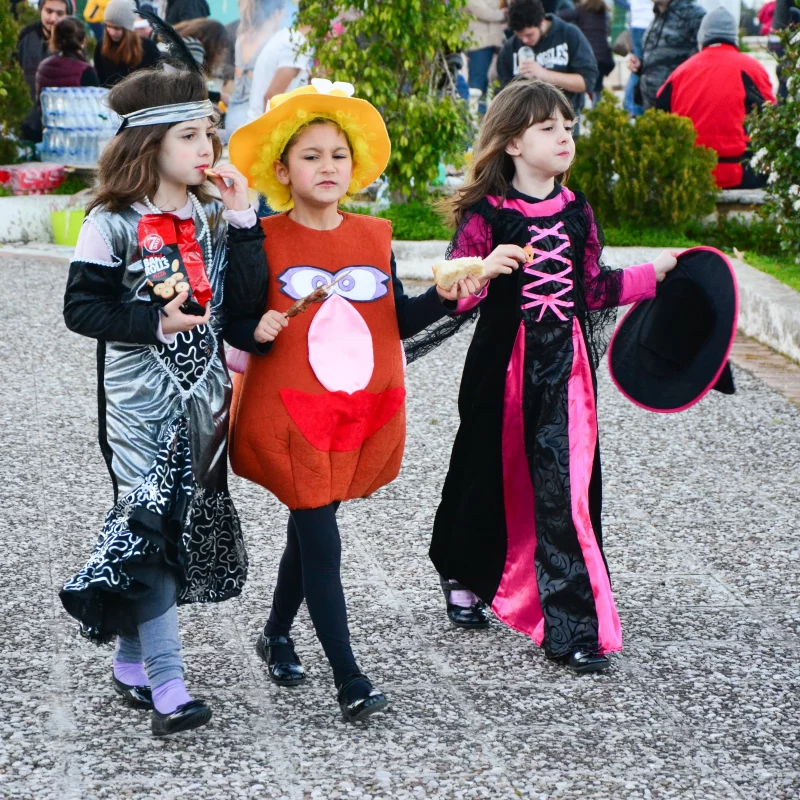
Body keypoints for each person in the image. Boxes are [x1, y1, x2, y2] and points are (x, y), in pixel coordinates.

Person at [226, 79, 482, 721]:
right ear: (281, 169)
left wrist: (447, 298)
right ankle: (349, 677)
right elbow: (234, 321)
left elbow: (396, 318)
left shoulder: (373, 235)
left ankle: (276, 634)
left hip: (353, 407)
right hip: (289, 410)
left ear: (355, 165)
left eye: (338, 154)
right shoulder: (261, 236)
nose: (327, 166)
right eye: (310, 155)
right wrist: (255, 328)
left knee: (311, 526)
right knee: (321, 532)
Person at [429, 78, 679, 673]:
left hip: (565, 372)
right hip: (501, 369)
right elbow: (458, 293)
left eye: (568, 126)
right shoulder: (487, 214)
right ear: (513, 143)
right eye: (548, 128)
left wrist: (652, 275)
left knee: (565, 487)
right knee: (484, 473)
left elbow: (593, 288)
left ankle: (570, 625)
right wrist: (478, 271)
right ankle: (464, 570)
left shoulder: (576, 210)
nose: (565, 136)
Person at [59, 49, 270, 736]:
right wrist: (152, 321)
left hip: (205, 400)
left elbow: (242, 304)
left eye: (209, 133)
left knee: (170, 530)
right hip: (137, 405)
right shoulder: (110, 222)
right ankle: (169, 684)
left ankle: (130, 660)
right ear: (149, 143)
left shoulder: (211, 216)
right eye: (189, 135)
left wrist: (244, 220)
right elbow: (81, 309)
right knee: (146, 520)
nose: (207, 147)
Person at [655, 7, 776, 189]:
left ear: (702, 37)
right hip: (741, 173)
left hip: (691, 174)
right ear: (734, 37)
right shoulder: (752, 69)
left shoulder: (679, 73)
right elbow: (772, 118)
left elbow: (658, 112)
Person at [497, 0, 599, 131]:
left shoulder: (569, 34)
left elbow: (587, 82)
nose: (525, 40)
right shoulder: (510, 47)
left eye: (529, 34)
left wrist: (544, 74)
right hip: (526, 125)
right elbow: (502, 91)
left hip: (564, 121)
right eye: (520, 36)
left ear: (541, 22)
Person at [25, 15, 100, 141]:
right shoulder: (85, 71)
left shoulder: (43, 66)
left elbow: (40, 105)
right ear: (83, 41)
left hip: (50, 136)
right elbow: (94, 111)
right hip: (79, 140)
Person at [223, 0, 288, 140]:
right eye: (284, 13)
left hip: (233, 116)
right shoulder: (273, 41)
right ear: (276, 13)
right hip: (254, 119)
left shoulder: (242, 37)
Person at [627, 0, 706, 110]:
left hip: (678, 107)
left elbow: (705, 57)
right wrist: (641, 66)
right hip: (652, 107)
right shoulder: (657, 17)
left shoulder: (693, 14)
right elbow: (659, 58)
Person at [246, 7, 310, 121]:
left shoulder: (287, 36)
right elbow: (272, 97)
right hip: (263, 125)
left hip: (257, 121)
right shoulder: (297, 43)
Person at [94, 0, 161, 87]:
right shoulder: (101, 48)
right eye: (108, 26)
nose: (112, 32)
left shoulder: (148, 48)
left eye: (117, 28)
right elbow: (100, 82)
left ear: (128, 29)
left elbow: (157, 81)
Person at [17, 0, 74, 102]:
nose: (53, 18)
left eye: (60, 14)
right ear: (41, 10)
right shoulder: (26, 36)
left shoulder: (73, 41)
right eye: (49, 11)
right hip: (28, 105)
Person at [558, 0, 614, 101]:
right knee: (597, 88)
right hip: (603, 56)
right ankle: (597, 107)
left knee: (583, 84)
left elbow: (560, 16)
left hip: (588, 55)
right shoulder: (604, 13)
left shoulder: (580, 11)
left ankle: (586, 105)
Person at [465, 0, 508, 113]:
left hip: (497, 41)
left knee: (497, 82)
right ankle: (477, 116)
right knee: (477, 85)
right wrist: (501, 14)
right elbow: (479, 9)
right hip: (478, 43)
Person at [623, 0, 654, 115]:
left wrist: (633, 6)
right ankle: (635, 106)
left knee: (637, 68)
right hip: (649, 21)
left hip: (637, 23)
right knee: (644, 67)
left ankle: (631, 105)